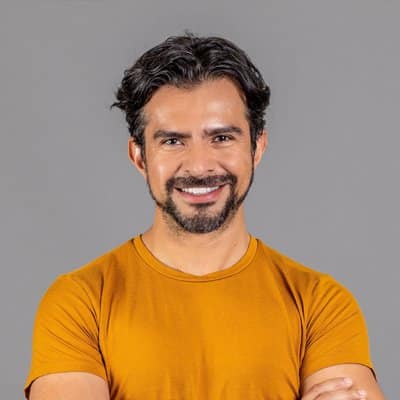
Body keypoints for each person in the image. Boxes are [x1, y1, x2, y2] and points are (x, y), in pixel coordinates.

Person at [24, 33, 386, 400]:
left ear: (257, 147)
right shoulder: (80, 302)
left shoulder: (321, 304)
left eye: (222, 138)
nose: (199, 165)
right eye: (173, 141)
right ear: (139, 156)